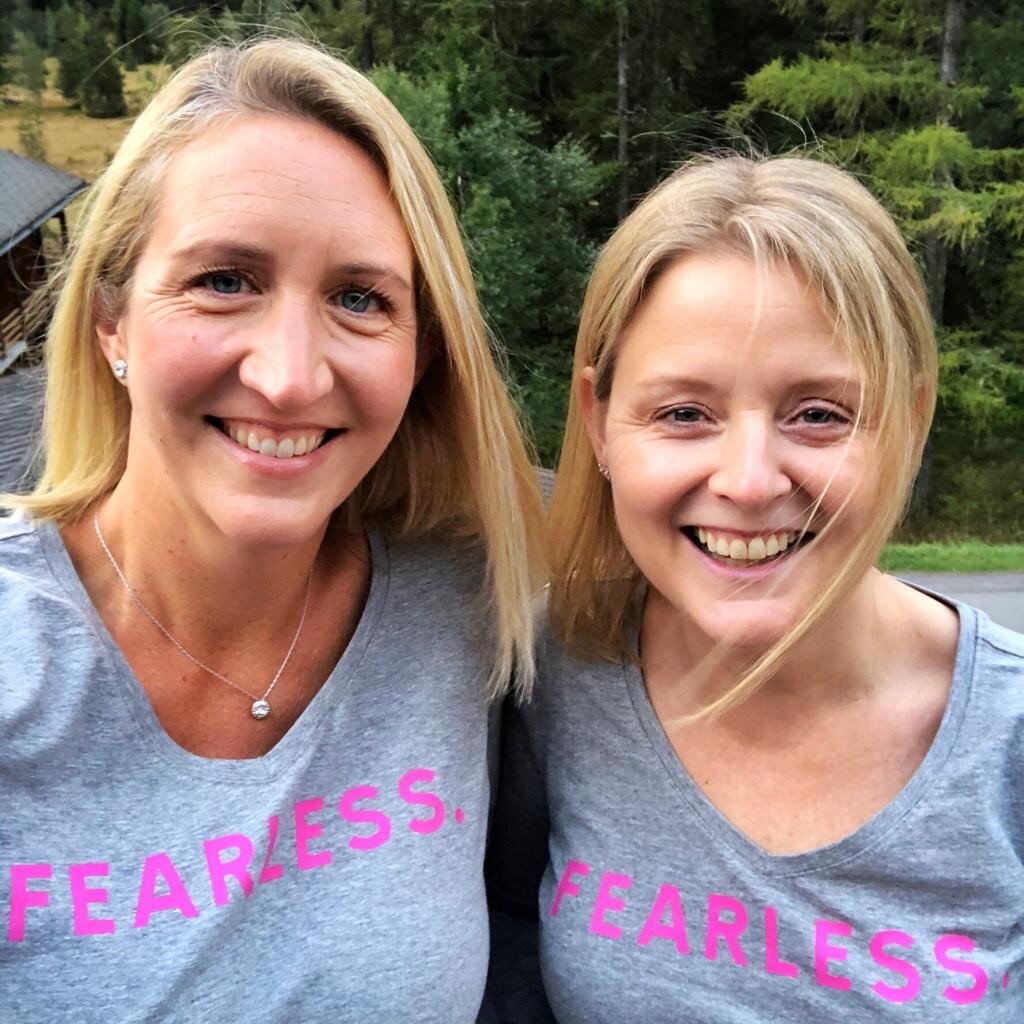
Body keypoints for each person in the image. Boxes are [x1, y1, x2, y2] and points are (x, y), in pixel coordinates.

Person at [0, 39, 544, 1023]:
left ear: (421, 357)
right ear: (111, 322)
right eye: (224, 279)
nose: (291, 375)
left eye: (358, 298)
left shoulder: (476, 599)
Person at [488, 154, 1024, 1021]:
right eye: (683, 413)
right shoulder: (559, 673)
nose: (746, 481)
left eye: (819, 413)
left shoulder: (1006, 738)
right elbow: (507, 927)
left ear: (912, 420)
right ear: (597, 422)